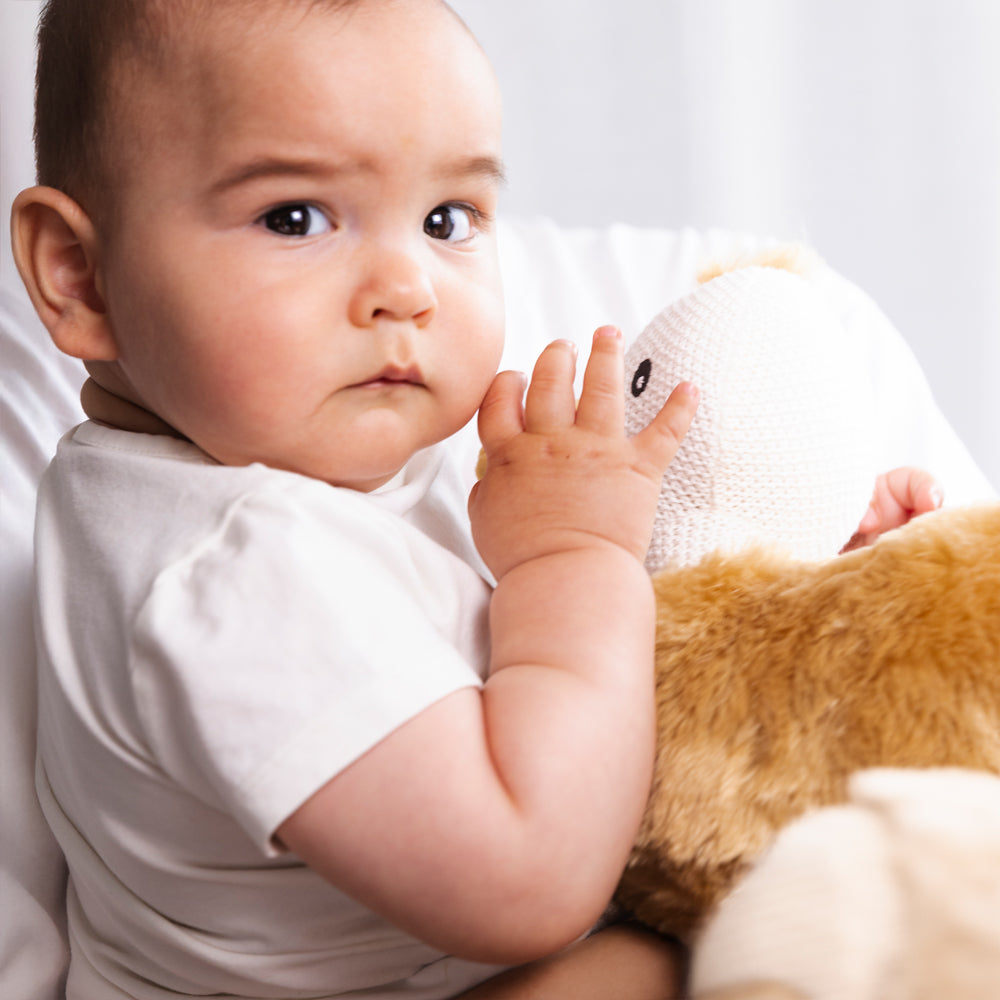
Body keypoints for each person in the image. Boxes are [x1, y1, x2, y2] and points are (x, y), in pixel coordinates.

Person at [8, 1, 946, 997]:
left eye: (447, 220)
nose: (405, 285)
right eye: (295, 217)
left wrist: (782, 573)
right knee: (778, 936)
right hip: (491, 922)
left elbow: (540, 675)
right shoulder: (232, 572)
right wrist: (569, 562)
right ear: (82, 276)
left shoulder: (278, 457)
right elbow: (531, 877)